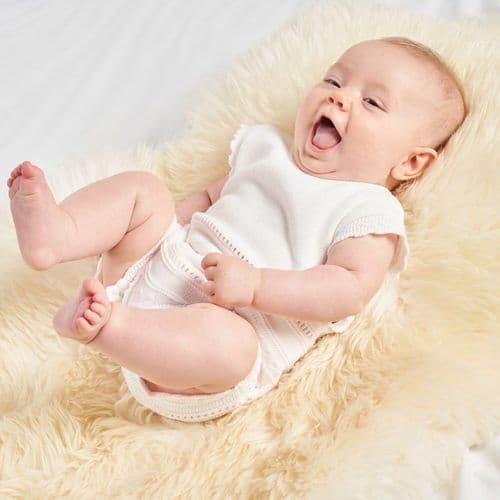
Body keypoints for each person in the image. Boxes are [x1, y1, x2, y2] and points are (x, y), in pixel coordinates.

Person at [6, 37, 466, 422]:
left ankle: (107, 327)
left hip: (224, 330)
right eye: (333, 80)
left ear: (411, 162)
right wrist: (154, 231)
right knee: (145, 190)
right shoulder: (266, 147)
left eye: (372, 102)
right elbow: (210, 199)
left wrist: (257, 286)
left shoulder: (369, 209)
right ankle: (58, 234)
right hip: (164, 268)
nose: (339, 97)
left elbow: (347, 289)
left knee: (233, 347)